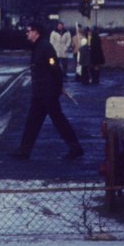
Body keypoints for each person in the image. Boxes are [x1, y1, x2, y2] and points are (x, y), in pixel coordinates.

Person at [11, 22, 84, 161]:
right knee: (33, 121)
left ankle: (76, 148)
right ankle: (24, 150)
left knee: (58, 121)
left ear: (36, 32)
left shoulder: (44, 47)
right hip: (40, 93)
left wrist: (59, 87)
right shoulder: (38, 46)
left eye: (29, 30)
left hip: (48, 94)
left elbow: (55, 68)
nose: (26, 33)